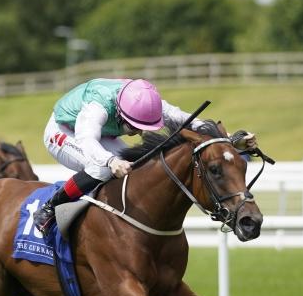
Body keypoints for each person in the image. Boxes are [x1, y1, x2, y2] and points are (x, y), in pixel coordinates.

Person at [32, 78, 205, 235]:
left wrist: (207, 129)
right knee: (101, 168)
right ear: (122, 114)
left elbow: (179, 116)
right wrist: (110, 161)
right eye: (135, 127)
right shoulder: (98, 107)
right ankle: (49, 208)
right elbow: (86, 139)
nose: (140, 132)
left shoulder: (145, 100)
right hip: (64, 130)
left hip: (101, 132)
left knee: (134, 165)